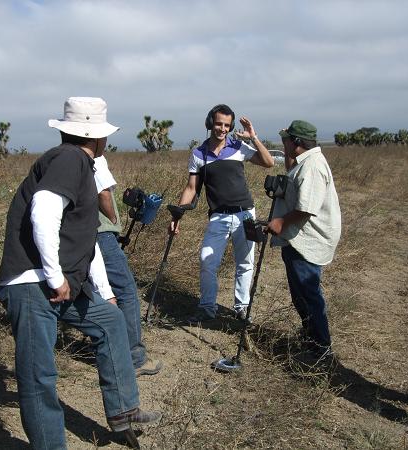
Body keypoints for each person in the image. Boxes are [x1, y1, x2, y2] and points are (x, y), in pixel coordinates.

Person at [0, 97, 161, 450]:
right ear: (97, 137)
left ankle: (124, 413)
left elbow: (87, 240)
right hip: (32, 282)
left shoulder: (81, 166)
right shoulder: (70, 159)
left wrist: (103, 289)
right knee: (40, 374)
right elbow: (43, 210)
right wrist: (54, 275)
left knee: (112, 322)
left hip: (61, 283)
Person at [171, 104, 274, 323]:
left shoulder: (239, 147)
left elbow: (268, 162)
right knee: (207, 261)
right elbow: (191, 188)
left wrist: (253, 137)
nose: (223, 129)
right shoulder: (198, 154)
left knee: (245, 263)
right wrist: (177, 216)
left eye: (227, 125)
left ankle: (242, 308)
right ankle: (207, 308)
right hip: (218, 217)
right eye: (219, 123)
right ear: (210, 123)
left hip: (245, 214)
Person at [267, 120, 341, 359]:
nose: (284, 143)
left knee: (309, 295)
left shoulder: (312, 167)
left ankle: (320, 350)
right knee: (301, 294)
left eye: (287, 139)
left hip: (308, 241)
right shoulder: (306, 162)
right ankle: (311, 338)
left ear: (296, 142)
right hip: (299, 240)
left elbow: (306, 208)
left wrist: (279, 222)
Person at [88, 154, 163, 377]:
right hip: (101, 233)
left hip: (82, 233)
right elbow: (103, 192)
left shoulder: (68, 155)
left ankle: (103, 347)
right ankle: (135, 359)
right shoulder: (94, 157)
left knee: (95, 291)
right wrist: (112, 219)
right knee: (126, 291)